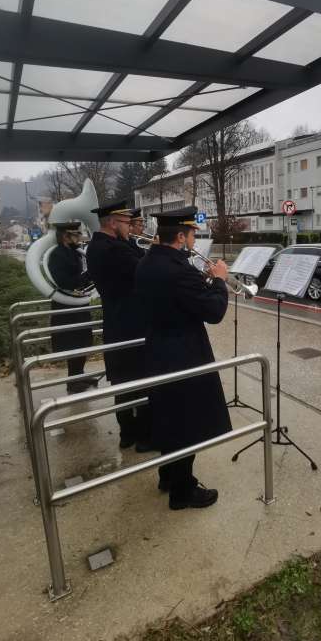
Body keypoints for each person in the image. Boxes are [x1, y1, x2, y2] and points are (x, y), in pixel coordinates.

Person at [135, 206, 230, 510]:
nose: (194, 240)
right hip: (184, 354)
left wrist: (199, 282)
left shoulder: (148, 262)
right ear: (180, 236)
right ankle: (183, 491)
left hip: (157, 349)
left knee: (169, 418)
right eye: (191, 234)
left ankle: (168, 476)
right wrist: (218, 281)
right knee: (187, 423)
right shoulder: (179, 270)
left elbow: (177, 298)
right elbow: (214, 312)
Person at [85, 200, 154, 452]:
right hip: (130, 323)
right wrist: (158, 250)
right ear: (112, 222)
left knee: (123, 383)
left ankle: (128, 434)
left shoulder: (101, 245)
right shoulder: (113, 249)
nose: (130, 226)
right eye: (126, 222)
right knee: (140, 381)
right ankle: (145, 438)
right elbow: (144, 268)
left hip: (116, 322)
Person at [49, 221, 98, 394]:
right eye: (75, 234)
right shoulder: (57, 255)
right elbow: (64, 282)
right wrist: (87, 276)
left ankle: (79, 375)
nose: (79, 237)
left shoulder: (74, 253)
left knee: (83, 341)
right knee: (73, 343)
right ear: (65, 236)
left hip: (79, 303)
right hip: (66, 306)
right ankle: (73, 381)